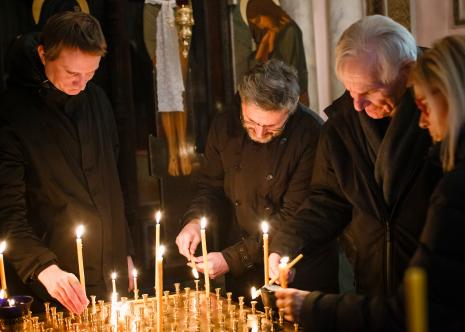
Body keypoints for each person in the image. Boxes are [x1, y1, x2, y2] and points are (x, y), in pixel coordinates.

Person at [275, 34, 465, 332]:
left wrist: (312, 307)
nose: (358, 105)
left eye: (369, 91)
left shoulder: (448, 166)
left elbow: (421, 306)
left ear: (405, 73)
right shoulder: (342, 127)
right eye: (350, 91)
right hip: (375, 291)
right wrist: (285, 243)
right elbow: (327, 200)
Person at [0, 11, 134, 314]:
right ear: (43, 54)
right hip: (52, 281)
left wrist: (124, 250)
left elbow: (114, 184)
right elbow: (7, 212)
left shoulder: (97, 100)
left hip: (109, 276)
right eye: (73, 73)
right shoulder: (13, 113)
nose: (82, 83)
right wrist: (43, 266)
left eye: (91, 73)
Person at [175, 59, 338, 299]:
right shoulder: (224, 125)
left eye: (273, 127)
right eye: (251, 122)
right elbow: (210, 187)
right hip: (243, 266)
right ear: (242, 101)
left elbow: (295, 215)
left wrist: (233, 258)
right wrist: (194, 221)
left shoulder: (311, 133)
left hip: (298, 267)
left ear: (290, 111)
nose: (260, 133)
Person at [246, 0, 309, 106]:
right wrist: (265, 44)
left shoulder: (290, 31)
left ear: (267, 11)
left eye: (259, 20)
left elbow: (288, 70)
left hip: (289, 98)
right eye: (256, 23)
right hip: (273, 98)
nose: (260, 26)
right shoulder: (269, 34)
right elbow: (253, 71)